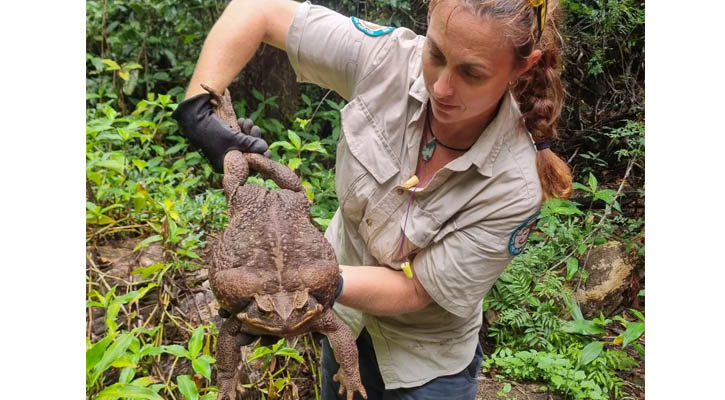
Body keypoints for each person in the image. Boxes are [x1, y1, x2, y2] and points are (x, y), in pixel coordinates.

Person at [172, 0, 573, 399]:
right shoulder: (388, 61)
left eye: (472, 73)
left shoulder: (515, 185)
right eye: (434, 54)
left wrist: (304, 287)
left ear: (521, 66)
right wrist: (198, 115)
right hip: (343, 323)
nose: (441, 86)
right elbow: (257, 10)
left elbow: (417, 291)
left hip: (424, 364)